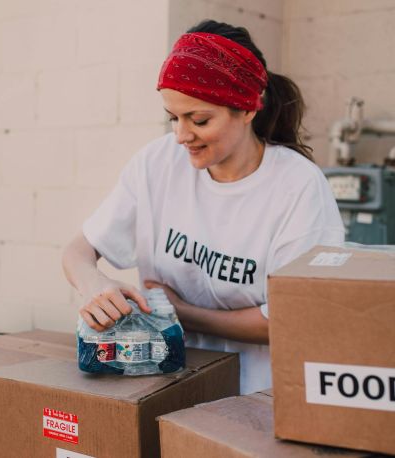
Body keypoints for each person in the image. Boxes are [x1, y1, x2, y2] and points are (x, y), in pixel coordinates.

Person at [62, 20, 344, 394]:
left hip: (258, 396)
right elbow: (77, 251)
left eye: (199, 120)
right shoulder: (157, 164)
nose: (181, 136)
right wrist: (95, 284)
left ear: (247, 109)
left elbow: (293, 321)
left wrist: (183, 313)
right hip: (167, 383)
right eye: (173, 118)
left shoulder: (298, 187)